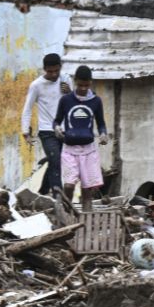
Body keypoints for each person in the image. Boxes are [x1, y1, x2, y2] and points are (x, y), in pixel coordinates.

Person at [53, 65, 109, 213]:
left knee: (87, 187)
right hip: (69, 148)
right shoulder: (66, 100)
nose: (83, 88)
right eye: (80, 85)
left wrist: (103, 134)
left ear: (91, 82)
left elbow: (101, 123)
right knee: (69, 185)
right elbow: (57, 120)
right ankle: (66, 213)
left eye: (86, 85)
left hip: (88, 149)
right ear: (75, 81)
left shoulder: (96, 101)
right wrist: (57, 128)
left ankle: (87, 216)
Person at [21, 52, 70, 195]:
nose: (54, 74)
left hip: (64, 129)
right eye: (50, 71)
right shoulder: (36, 85)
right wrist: (25, 131)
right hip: (47, 130)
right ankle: (58, 197)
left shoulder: (66, 79)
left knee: (56, 162)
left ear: (60, 67)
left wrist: (70, 92)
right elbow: (27, 108)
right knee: (55, 159)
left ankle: (43, 191)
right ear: (44, 69)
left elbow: (74, 103)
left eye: (56, 70)